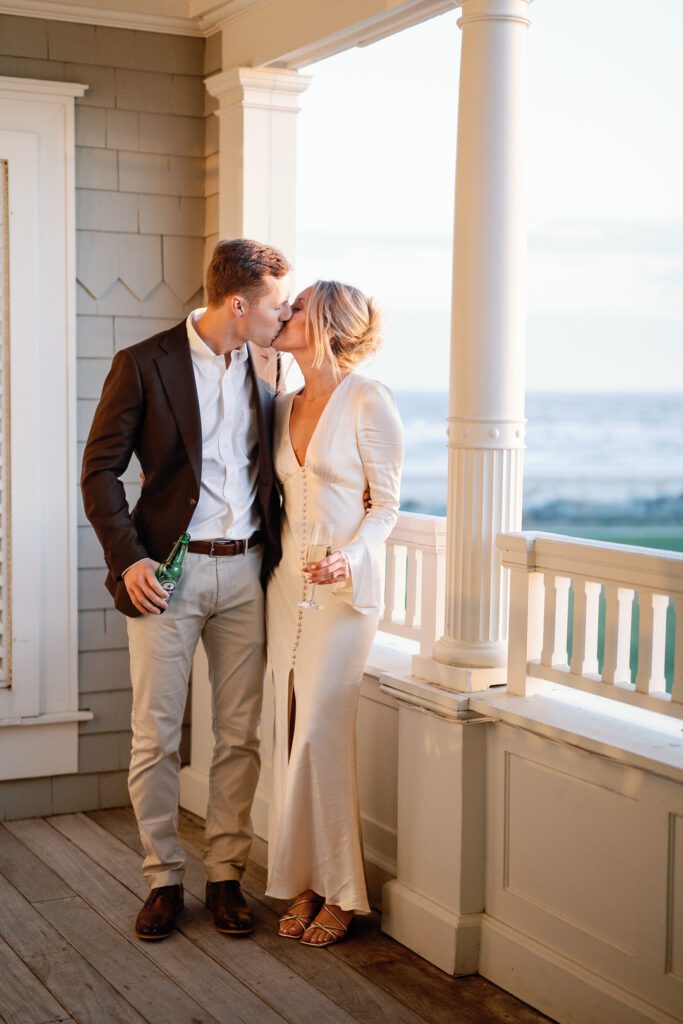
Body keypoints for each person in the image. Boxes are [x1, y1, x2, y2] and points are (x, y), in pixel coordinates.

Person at [81, 238, 291, 941]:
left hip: (246, 573)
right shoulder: (144, 363)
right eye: (275, 304)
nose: (283, 315)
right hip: (167, 575)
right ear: (240, 303)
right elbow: (99, 471)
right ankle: (162, 879)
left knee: (239, 736)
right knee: (156, 735)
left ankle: (226, 874)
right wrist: (129, 558)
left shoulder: (268, 366)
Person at [265, 280, 403, 947]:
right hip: (286, 588)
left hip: (344, 593)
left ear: (327, 323)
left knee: (320, 727)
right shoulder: (280, 404)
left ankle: (343, 892)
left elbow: (386, 508)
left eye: (297, 306)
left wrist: (351, 558)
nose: (284, 312)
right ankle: (302, 881)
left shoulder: (368, 400)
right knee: (290, 728)